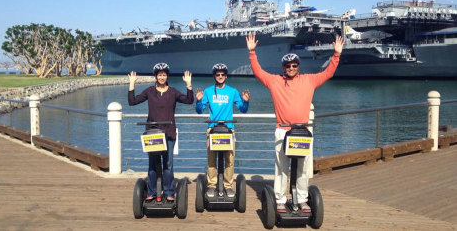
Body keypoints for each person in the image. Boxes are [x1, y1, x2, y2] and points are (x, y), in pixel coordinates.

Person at [246, 32, 344, 213]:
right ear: (283, 67)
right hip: (282, 131)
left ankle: (302, 199)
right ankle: (281, 200)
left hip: (302, 132)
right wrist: (252, 52)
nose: (291, 68)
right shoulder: (274, 81)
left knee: (302, 169)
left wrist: (336, 55)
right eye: (288, 65)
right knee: (281, 168)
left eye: (294, 65)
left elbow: (328, 73)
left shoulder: (309, 80)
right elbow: (258, 72)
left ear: (298, 66)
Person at [128, 63, 193, 202]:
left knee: (168, 164)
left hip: (169, 133)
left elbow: (189, 100)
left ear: (167, 76)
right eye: (159, 75)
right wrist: (132, 84)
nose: (162, 77)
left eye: (164, 75)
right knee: (152, 164)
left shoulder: (173, 92)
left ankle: (169, 192)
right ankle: (151, 191)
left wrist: (189, 85)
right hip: (153, 134)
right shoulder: (150, 91)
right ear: (156, 76)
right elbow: (132, 102)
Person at [195, 63, 250, 198]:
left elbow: (243, 109)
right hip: (212, 129)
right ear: (214, 76)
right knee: (211, 160)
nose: (220, 76)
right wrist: (198, 101)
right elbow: (199, 110)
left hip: (228, 129)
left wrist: (246, 101)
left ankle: (228, 186)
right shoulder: (208, 91)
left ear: (226, 76)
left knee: (229, 160)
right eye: (217, 74)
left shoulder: (232, 91)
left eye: (222, 74)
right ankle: (212, 186)